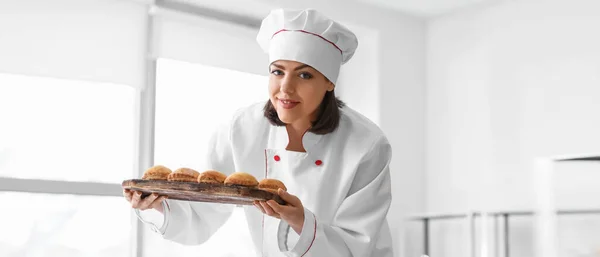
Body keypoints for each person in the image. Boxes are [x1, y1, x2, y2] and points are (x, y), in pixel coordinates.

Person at [123, 8, 394, 257]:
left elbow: (360, 244)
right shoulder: (241, 128)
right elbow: (203, 213)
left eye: (304, 75)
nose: (285, 88)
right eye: (278, 72)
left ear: (329, 82)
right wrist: (155, 206)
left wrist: (301, 221)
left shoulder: (366, 144)